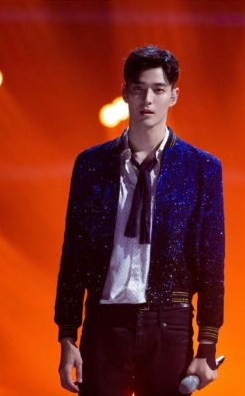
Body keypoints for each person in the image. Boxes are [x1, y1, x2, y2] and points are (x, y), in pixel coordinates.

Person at [56, 43, 224, 395]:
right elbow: (73, 255)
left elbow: (211, 262)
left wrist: (207, 344)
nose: (147, 99)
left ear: (173, 96)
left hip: (170, 323)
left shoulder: (201, 168)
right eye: (138, 88)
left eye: (158, 89)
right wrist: (68, 336)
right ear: (125, 93)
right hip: (104, 324)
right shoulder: (91, 165)